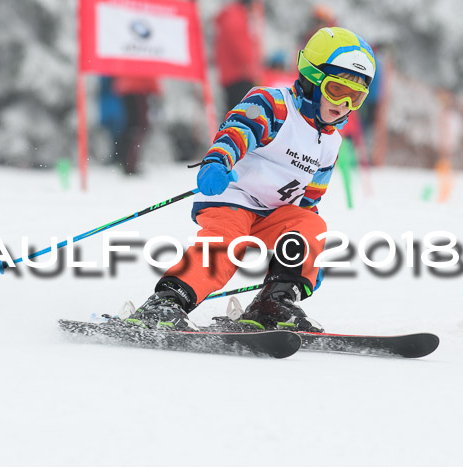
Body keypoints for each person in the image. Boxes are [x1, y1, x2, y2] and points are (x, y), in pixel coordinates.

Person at [126, 27, 376, 333]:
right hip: (233, 199)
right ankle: (167, 302)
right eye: (337, 91)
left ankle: (274, 303)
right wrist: (219, 160)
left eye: (356, 96)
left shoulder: (331, 143)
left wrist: (306, 260)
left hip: (272, 214)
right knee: (227, 245)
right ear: (312, 79)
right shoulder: (275, 105)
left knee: (312, 225)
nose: (345, 104)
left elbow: (309, 202)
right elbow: (238, 131)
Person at [213, 0, 260, 112]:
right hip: (239, 75)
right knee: (242, 114)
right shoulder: (236, 16)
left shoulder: (233, 15)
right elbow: (240, 44)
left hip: (233, 74)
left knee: (236, 112)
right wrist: (250, 63)